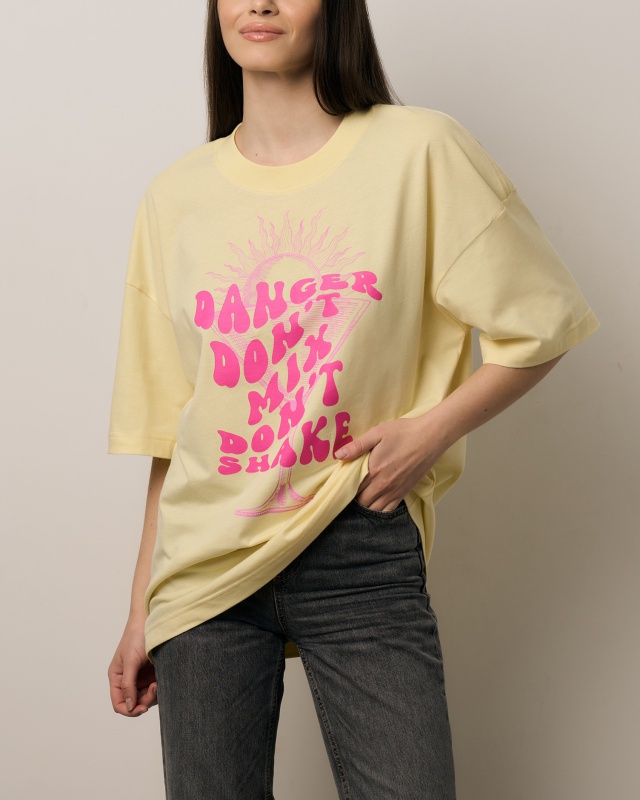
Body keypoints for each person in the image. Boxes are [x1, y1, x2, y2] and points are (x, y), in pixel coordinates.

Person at [106, 1, 600, 798]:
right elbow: (173, 435)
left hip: (357, 543)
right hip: (201, 570)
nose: (260, 2)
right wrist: (141, 611)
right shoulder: (175, 198)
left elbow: (543, 322)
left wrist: (429, 433)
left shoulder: (420, 152)